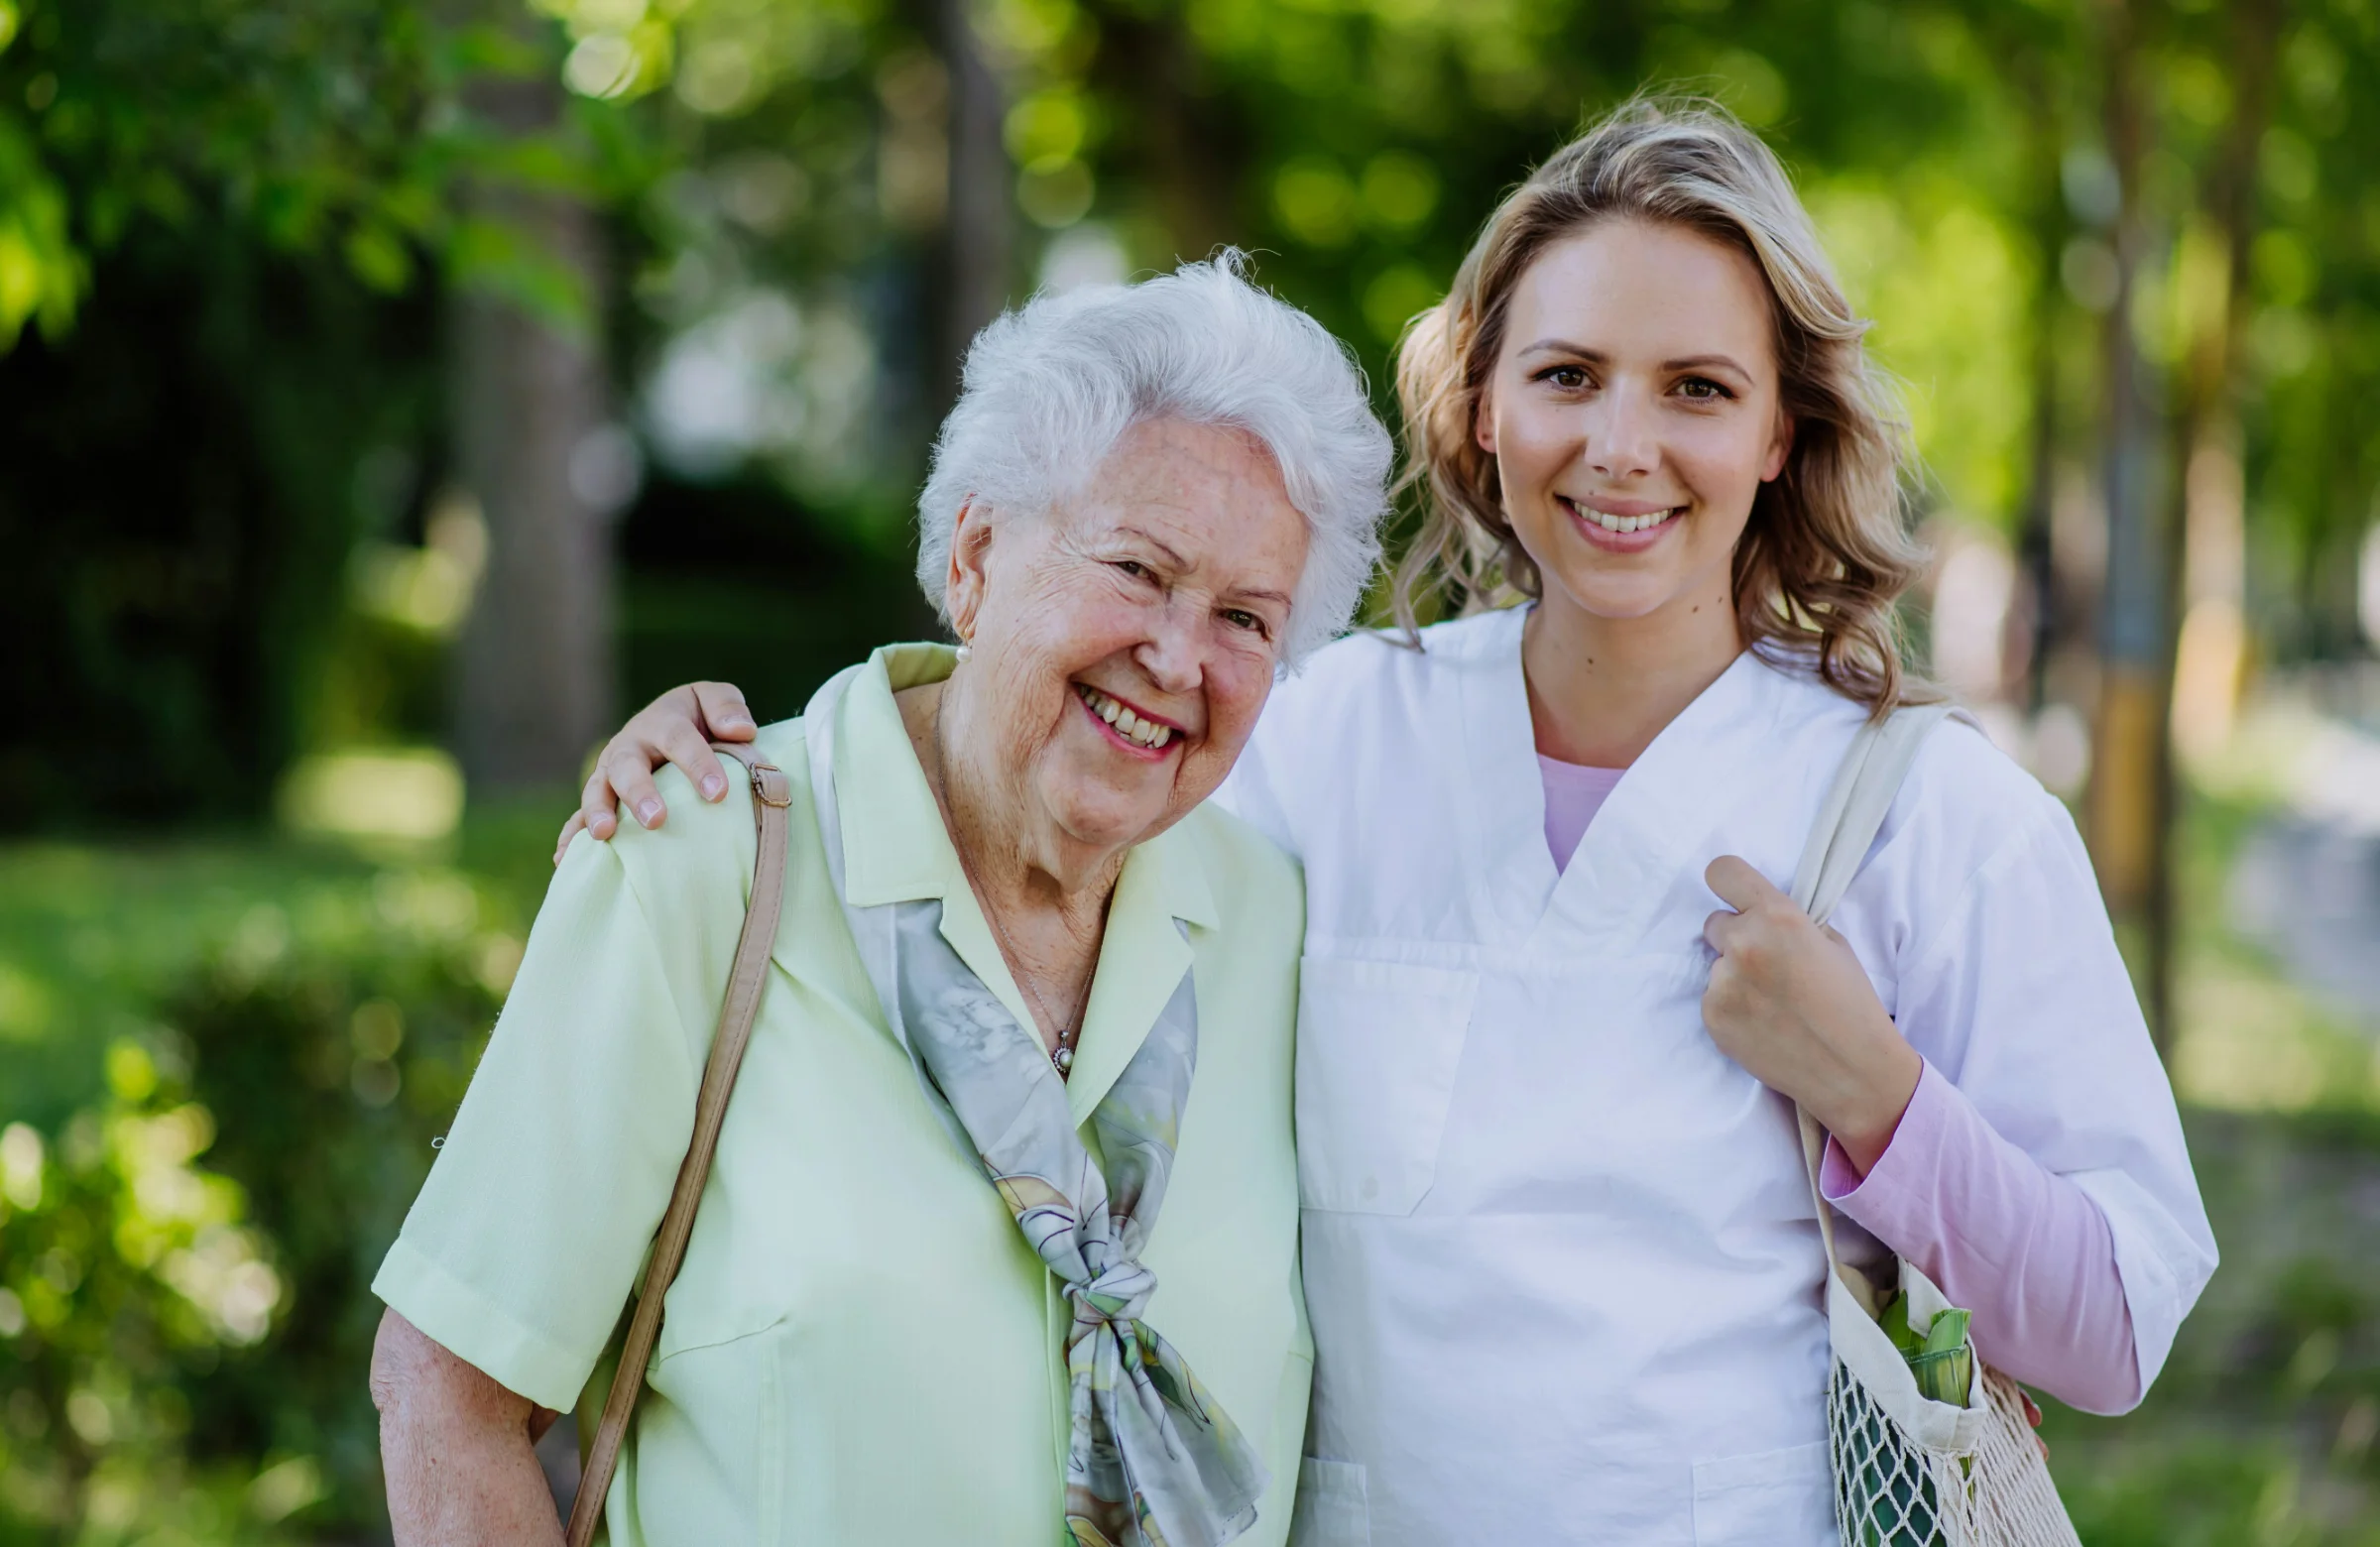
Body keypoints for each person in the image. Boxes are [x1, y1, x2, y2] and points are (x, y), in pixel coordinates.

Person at [567, 101, 2217, 1545]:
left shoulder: (1934, 815)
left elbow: (2118, 1326)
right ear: (1484, 407)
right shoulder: (1318, 736)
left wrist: (1877, 1091)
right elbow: (1014, 808)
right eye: (1566, 375)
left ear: (1780, 431)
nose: (1621, 447)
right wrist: (742, 764)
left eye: (1698, 388)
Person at [368, 255, 1394, 1547]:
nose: (1181, 657)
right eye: (1137, 570)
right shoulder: (702, 863)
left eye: (1247, 619)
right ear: (975, 555)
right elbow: (448, 1392)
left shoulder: (1276, 925)